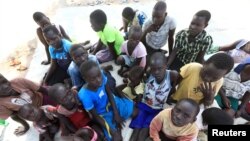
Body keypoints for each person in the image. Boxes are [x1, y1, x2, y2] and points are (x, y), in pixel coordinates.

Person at [77, 60, 138, 141]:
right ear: (85, 79)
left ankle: (119, 114)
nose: (98, 80)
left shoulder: (101, 76)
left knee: (135, 112)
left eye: (99, 75)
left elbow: (109, 93)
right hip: (102, 114)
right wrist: (112, 131)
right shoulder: (85, 95)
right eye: (93, 79)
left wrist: (116, 113)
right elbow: (95, 116)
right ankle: (115, 127)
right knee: (117, 138)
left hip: (112, 102)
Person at [129, 52, 179, 141]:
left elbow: (173, 87)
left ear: (166, 65)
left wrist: (168, 97)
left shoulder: (172, 75)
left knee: (145, 130)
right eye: (153, 69)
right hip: (144, 104)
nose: (156, 72)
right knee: (136, 129)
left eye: (160, 68)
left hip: (157, 108)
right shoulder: (148, 73)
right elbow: (139, 81)